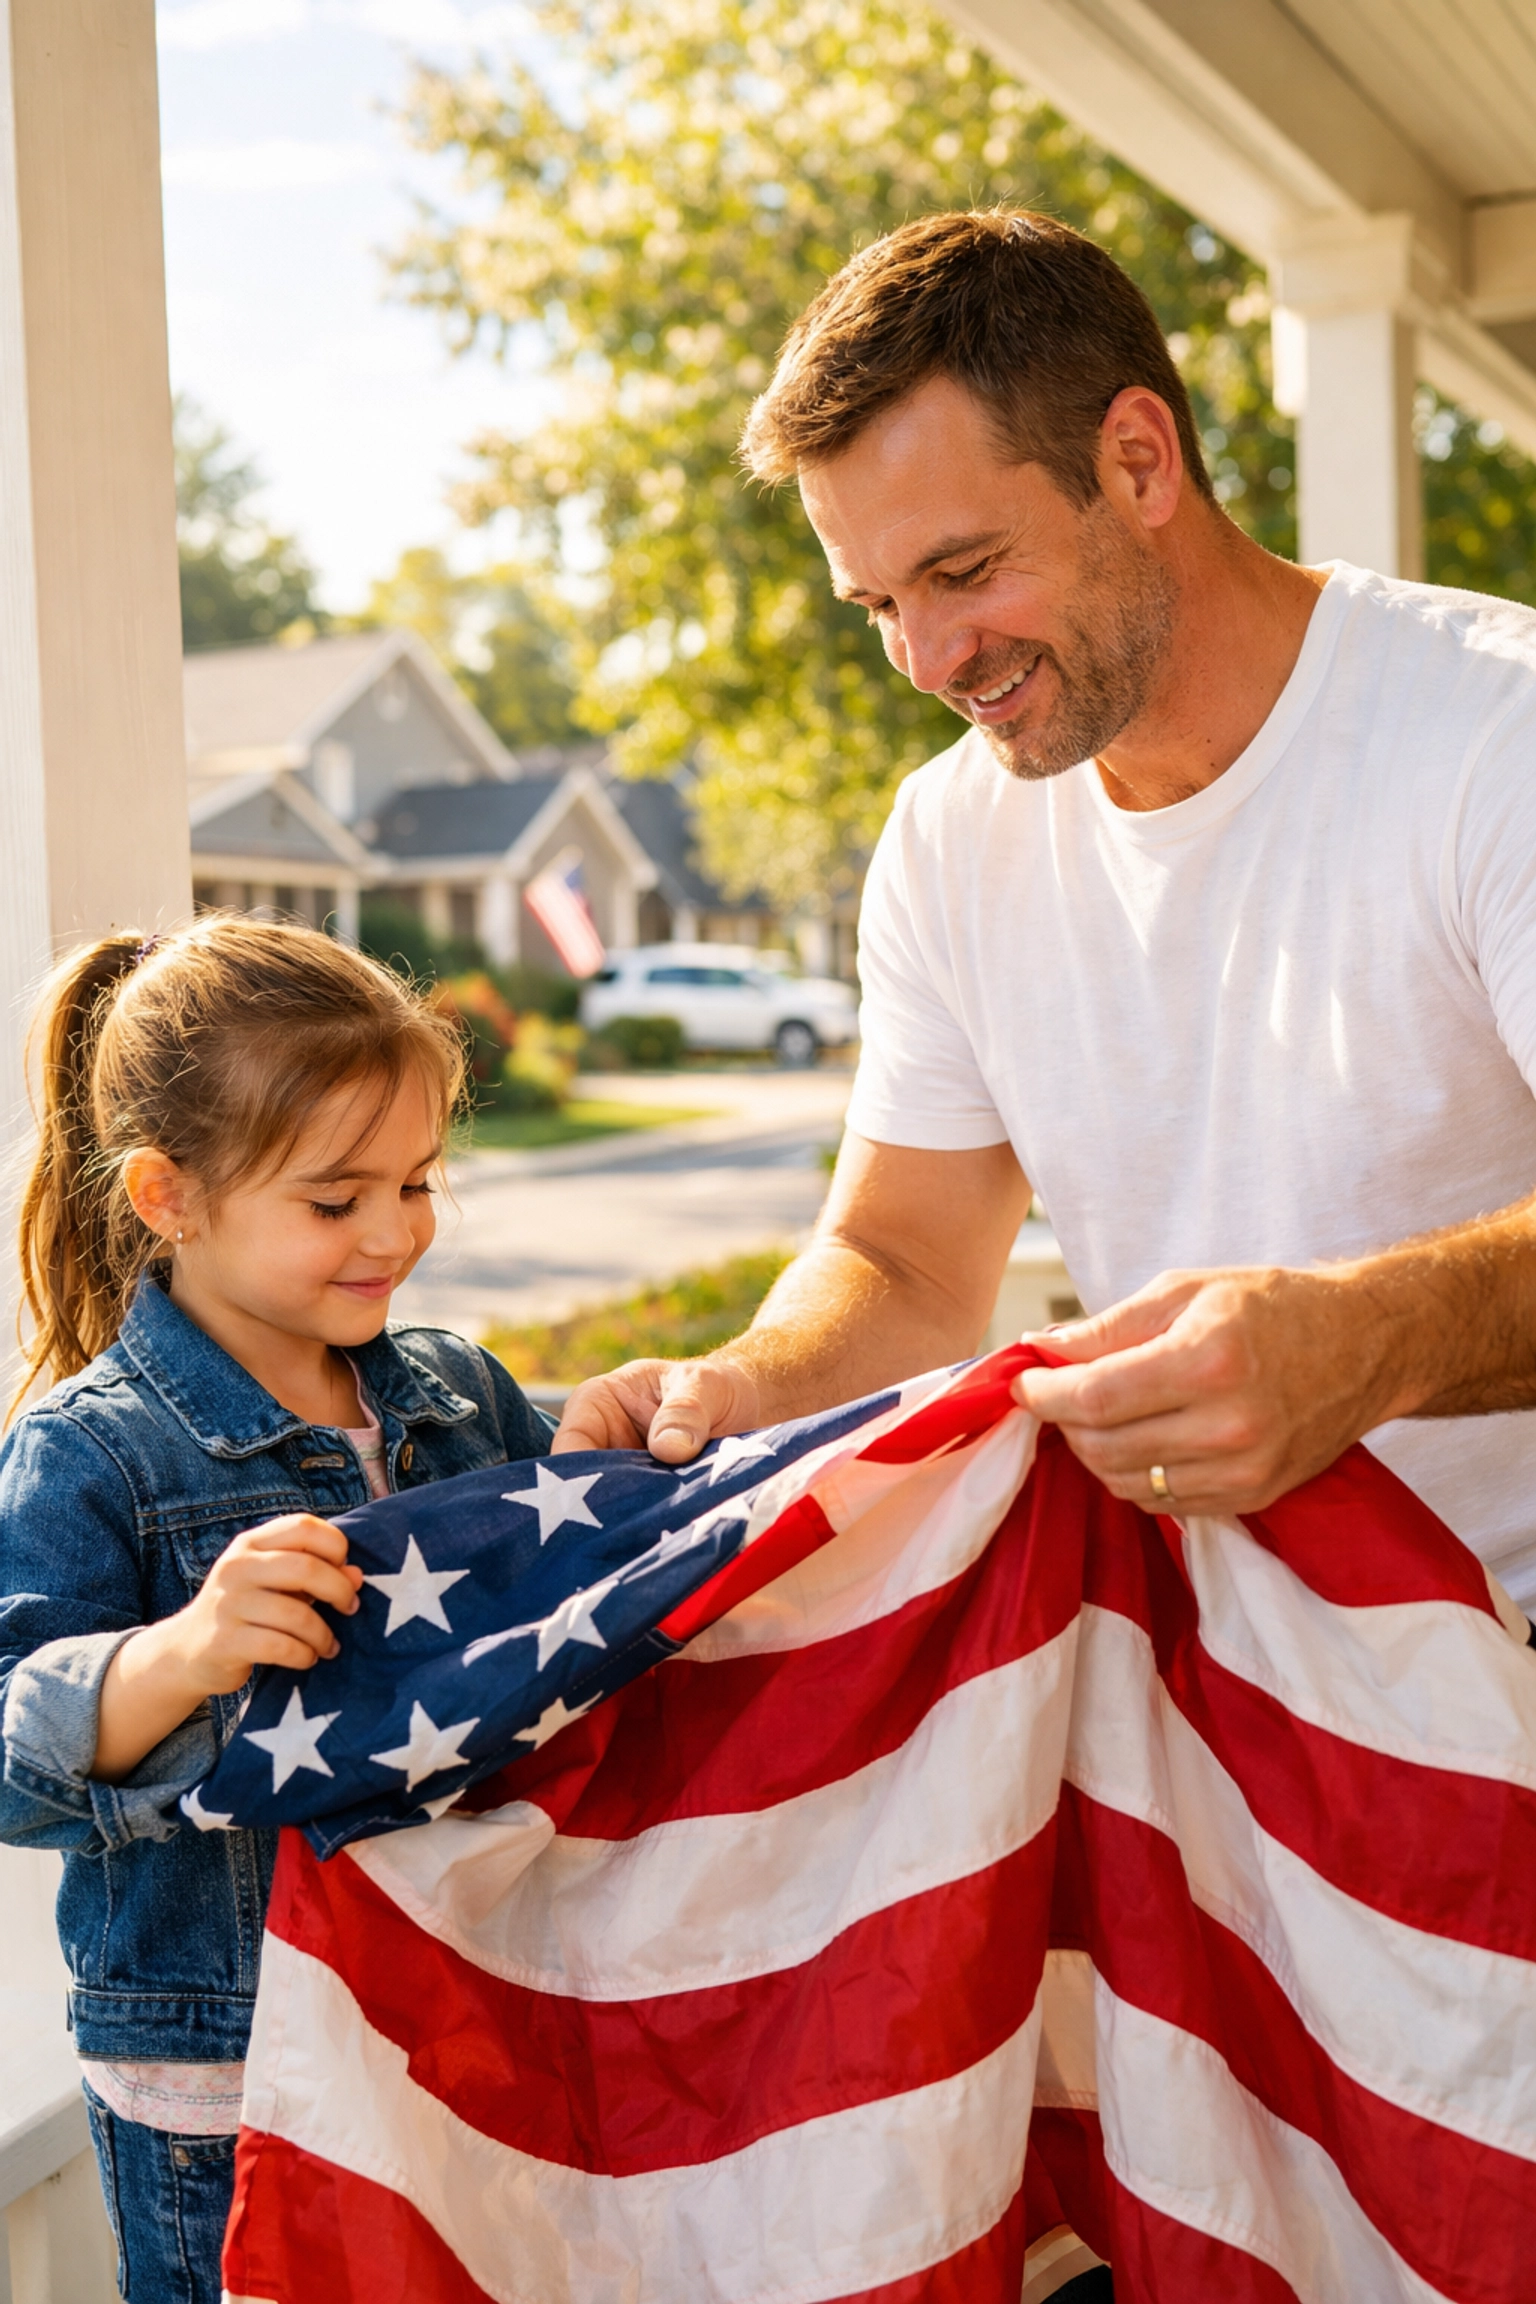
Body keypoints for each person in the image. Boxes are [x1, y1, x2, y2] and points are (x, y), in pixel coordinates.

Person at [554, 204, 1536, 1627]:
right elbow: (903, 1260)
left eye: (961, 571)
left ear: (1138, 459)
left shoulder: (1494, 734)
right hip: (1229, 1697)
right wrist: (745, 1386)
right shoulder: (950, 840)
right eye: (878, 602)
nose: (929, 658)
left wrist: (1369, 1341)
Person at [0, 918, 552, 2304]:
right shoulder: (93, 1452)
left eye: (419, 1181)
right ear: (169, 1196)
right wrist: (184, 1652)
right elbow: (14, 1754)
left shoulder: (457, 1393)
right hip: (231, 2079)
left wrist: (631, 1443)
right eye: (335, 1199)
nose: (394, 1233)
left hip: (464, 2016)